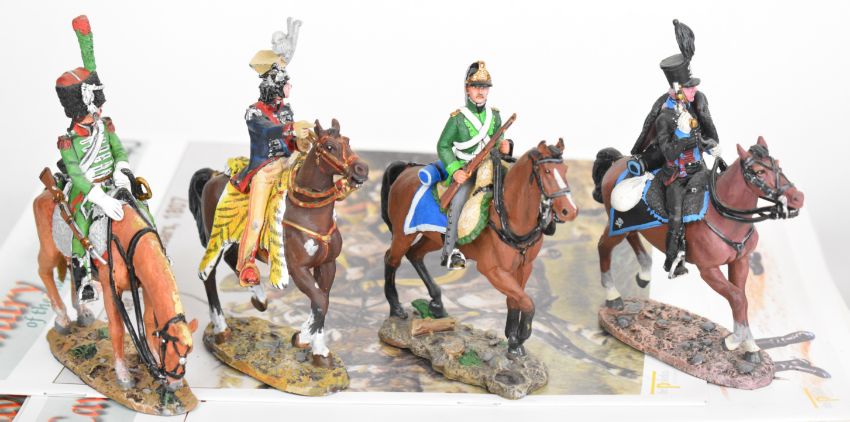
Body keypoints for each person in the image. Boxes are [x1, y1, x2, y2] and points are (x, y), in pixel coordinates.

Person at [630, 20, 721, 278]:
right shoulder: (665, 117)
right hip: (676, 175)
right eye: (690, 87)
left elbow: (704, 135)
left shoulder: (696, 103)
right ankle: (673, 259)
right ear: (679, 90)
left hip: (698, 167)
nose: (695, 90)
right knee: (676, 214)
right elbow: (669, 153)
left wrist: (710, 145)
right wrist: (682, 136)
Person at [55, 16, 132, 303]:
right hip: (88, 193)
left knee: (141, 204)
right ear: (81, 108)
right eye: (94, 106)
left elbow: (118, 150)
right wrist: (98, 197)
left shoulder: (104, 125)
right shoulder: (68, 142)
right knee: (81, 228)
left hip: (113, 181)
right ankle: (83, 279)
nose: (99, 110)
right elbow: (76, 175)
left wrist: (122, 168)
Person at [232, 20, 312, 286]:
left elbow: (292, 142)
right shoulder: (253, 112)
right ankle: (246, 263)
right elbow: (268, 132)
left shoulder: (286, 110)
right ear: (272, 87)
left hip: (289, 165)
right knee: (256, 220)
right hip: (265, 171)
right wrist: (291, 129)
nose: (288, 89)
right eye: (284, 84)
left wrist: (304, 141)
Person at [437, 61, 511, 270]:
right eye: (476, 86)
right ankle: (451, 251)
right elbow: (443, 145)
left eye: (484, 87)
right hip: (467, 169)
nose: (481, 91)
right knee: (459, 200)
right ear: (467, 89)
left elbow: (497, 140)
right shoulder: (458, 118)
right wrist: (455, 170)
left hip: (491, 167)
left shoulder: (495, 115)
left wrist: (506, 146)